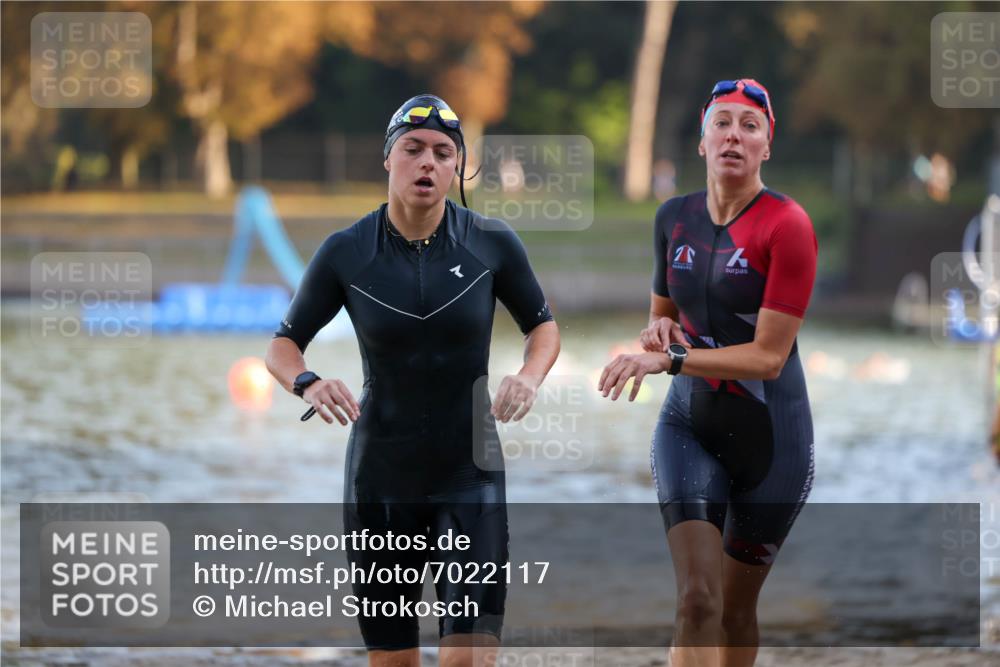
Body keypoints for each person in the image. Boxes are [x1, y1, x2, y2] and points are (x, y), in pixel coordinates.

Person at [265, 94, 560, 667]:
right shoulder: (346, 251)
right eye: (414, 149)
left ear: (457, 168)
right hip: (382, 481)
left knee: (469, 659)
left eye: (443, 153)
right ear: (388, 158)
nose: (428, 162)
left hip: (470, 477)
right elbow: (281, 345)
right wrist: (307, 381)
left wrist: (529, 375)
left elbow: (543, 329)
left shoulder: (492, 243)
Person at [598, 79, 817, 667]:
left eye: (750, 126)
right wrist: (658, 335)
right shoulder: (673, 218)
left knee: (735, 612)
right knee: (696, 600)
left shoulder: (787, 225)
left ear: (767, 145)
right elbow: (662, 319)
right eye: (722, 122)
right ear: (702, 141)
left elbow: (768, 357)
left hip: (772, 439)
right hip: (688, 426)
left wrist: (668, 358)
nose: (734, 136)